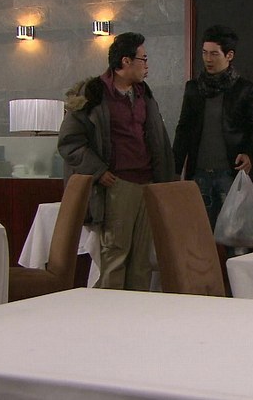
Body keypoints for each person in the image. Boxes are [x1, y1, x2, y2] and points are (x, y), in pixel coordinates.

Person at [58, 32, 175, 290]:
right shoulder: (93, 93)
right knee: (115, 254)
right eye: (143, 59)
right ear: (125, 61)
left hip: (147, 183)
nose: (147, 66)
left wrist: (165, 179)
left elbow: (157, 139)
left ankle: (136, 311)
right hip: (117, 185)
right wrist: (98, 171)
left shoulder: (144, 94)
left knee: (142, 260)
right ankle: (108, 310)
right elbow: (70, 141)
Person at [173, 24, 253, 231]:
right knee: (200, 232)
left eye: (214, 54)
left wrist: (250, 154)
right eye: (204, 53)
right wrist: (176, 168)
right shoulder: (194, 88)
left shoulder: (244, 89)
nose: (208, 59)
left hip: (229, 172)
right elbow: (183, 129)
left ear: (229, 55)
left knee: (234, 233)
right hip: (199, 172)